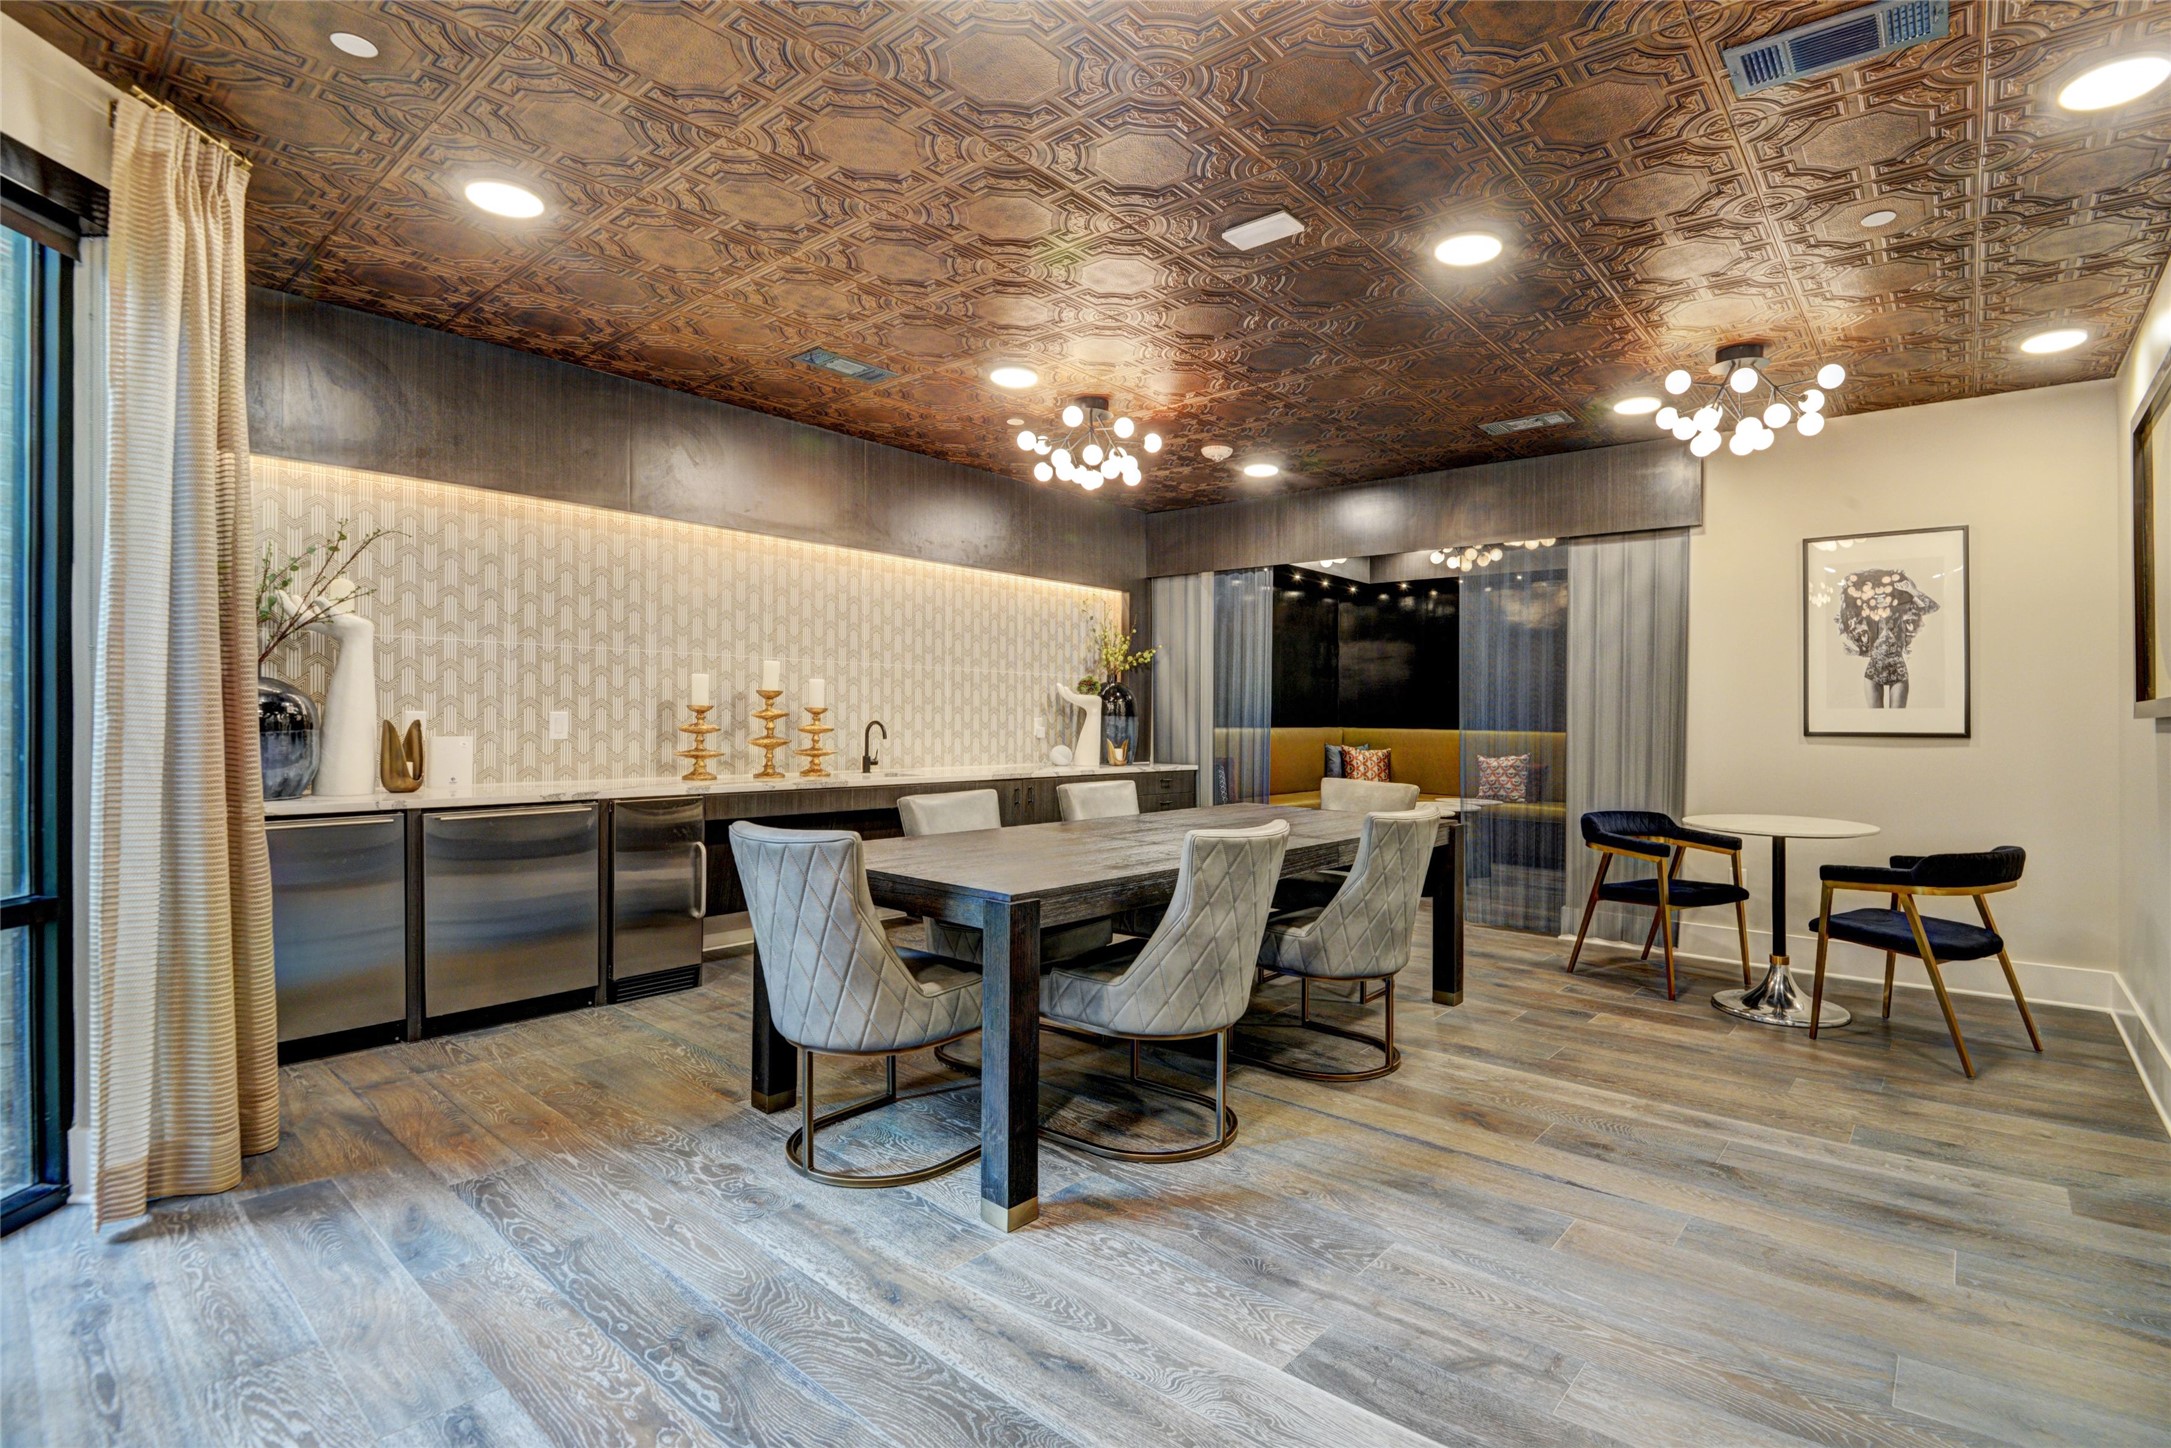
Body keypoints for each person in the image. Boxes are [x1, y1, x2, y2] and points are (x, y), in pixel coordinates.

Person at [1836, 568, 1939, 708]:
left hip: (1898, 671)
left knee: (1897, 721)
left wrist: (1911, 590)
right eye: (1875, 593)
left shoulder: (1901, 610)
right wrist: (1857, 652)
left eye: (1884, 592)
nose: (1880, 597)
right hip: (1873, 673)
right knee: (1875, 720)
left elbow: (1932, 607)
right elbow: (1875, 649)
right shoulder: (1867, 615)